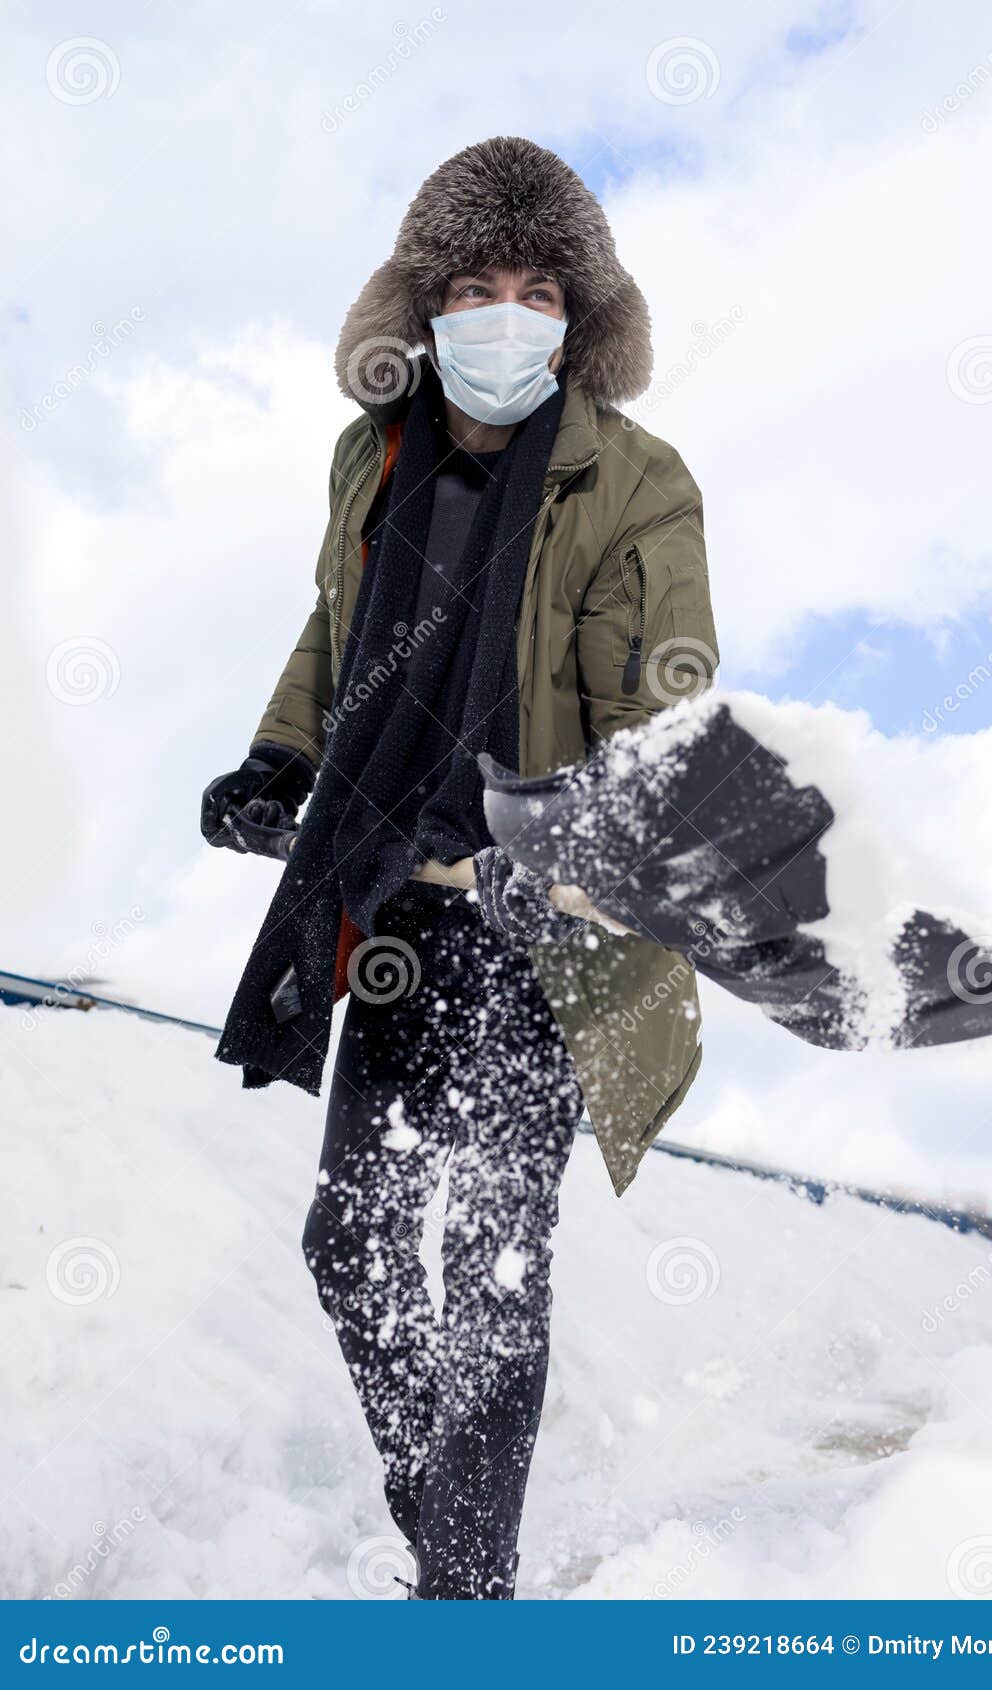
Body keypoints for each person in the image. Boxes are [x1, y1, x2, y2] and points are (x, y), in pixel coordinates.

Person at [201, 136, 718, 1600]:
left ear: (577, 315)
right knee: (348, 1237)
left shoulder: (634, 482)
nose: (507, 314)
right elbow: (331, 636)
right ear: (426, 307)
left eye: (538, 287)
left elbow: (663, 708)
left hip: (553, 934)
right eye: (477, 285)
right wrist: (281, 765)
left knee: (494, 1258)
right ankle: (458, 1547)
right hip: (398, 908)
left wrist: (573, 834)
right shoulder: (370, 456)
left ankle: (464, 1594)